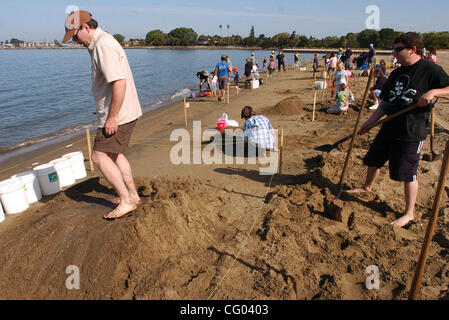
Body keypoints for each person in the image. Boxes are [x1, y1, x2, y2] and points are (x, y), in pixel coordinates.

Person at [347, 32, 449, 228]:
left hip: (411, 130)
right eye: (394, 49)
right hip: (389, 126)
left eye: (398, 49)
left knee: (408, 172)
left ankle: (409, 213)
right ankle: (367, 186)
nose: (394, 53)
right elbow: (385, 104)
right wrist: (369, 122)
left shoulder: (430, 70)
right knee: (374, 159)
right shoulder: (396, 73)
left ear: (413, 50)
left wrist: (433, 92)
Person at [62, 11, 142, 219]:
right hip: (121, 111)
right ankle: (132, 195)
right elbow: (111, 83)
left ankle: (126, 200)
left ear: (85, 28)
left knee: (98, 156)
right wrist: (105, 108)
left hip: (120, 114)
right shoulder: (99, 43)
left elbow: (119, 82)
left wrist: (112, 116)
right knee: (114, 154)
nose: (74, 41)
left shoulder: (103, 44)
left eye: (74, 36)